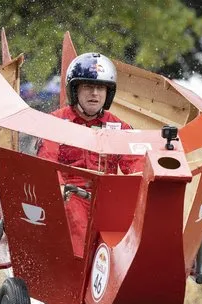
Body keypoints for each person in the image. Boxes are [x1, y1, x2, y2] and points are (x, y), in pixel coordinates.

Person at [37, 52, 141, 256]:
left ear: (108, 93)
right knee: (77, 222)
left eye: (100, 88)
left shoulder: (120, 127)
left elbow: (136, 163)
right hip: (68, 196)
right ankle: (78, 273)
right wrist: (58, 188)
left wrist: (143, 182)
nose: (95, 93)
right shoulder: (54, 122)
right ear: (75, 90)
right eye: (88, 87)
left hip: (109, 198)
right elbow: (46, 162)